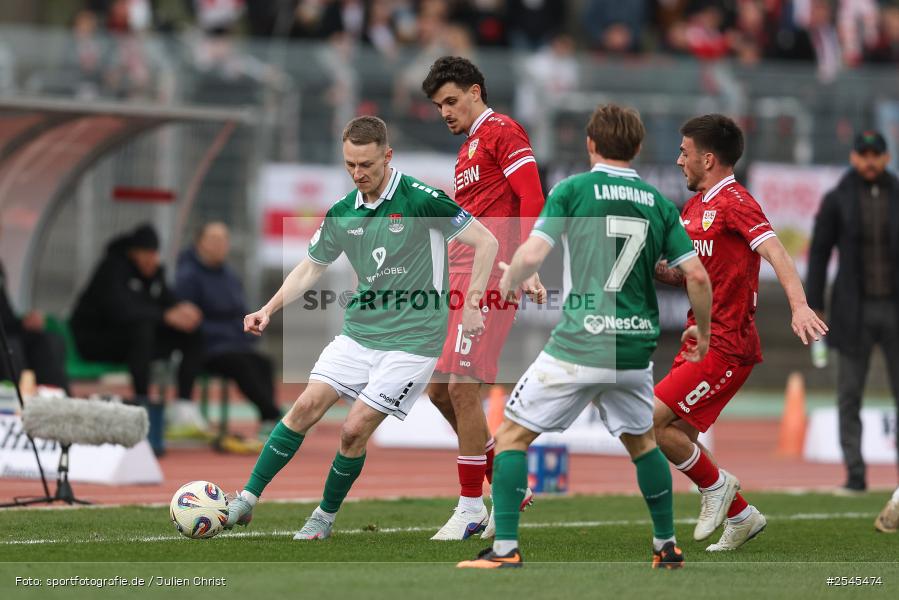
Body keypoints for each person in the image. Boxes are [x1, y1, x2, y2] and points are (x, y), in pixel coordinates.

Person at [457, 103, 712, 569]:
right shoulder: (658, 202)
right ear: (636, 148)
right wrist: (705, 332)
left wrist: (510, 281)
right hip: (634, 348)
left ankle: (505, 548)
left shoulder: (574, 188)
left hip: (581, 341)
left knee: (512, 436)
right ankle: (666, 546)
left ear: (591, 144)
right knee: (642, 444)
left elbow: (533, 251)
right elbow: (696, 274)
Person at [223, 116, 499, 539]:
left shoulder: (421, 199)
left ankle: (324, 517)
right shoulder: (343, 212)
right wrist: (269, 307)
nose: (358, 173)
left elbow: (487, 241)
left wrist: (476, 301)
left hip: (413, 340)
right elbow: (310, 269)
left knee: (353, 429)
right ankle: (246, 500)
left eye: (367, 164)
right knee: (304, 408)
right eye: (350, 164)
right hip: (359, 334)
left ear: (387, 156)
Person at [653, 114, 827, 552]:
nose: (679, 161)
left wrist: (799, 304)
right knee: (674, 436)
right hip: (700, 340)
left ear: (708, 158)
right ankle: (742, 514)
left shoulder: (735, 201)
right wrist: (654, 270)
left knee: (650, 422)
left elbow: (776, 252)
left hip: (727, 345)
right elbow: (691, 273)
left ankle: (717, 490)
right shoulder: (695, 207)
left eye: (685, 152)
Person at [421, 55, 547, 540]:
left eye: (451, 101)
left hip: (491, 278)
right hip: (459, 277)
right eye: (438, 106)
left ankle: (471, 505)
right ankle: (504, 485)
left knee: (462, 388)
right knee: (438, 390)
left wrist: (527, 265)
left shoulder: (502, 131)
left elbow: (533, 198)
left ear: (476, 91)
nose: (445, 112)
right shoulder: (469, 146)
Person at [806, 130, 899, 494]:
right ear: (853, 157)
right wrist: (814, 303)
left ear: (887, 158)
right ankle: (855, 475)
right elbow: (818, 251)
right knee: (849, 395)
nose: (871, 160)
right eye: (865, 154)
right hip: (853, 311)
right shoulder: (837, 198)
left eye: (877, 154)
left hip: (895, 310)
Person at [70, 223, 206, 454]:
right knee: (142, 329)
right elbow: (121, 311)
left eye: (154, 253)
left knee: (192, 332)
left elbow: (167, 303)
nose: (151, 259)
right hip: (97, 341)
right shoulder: (112, 269)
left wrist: (182, 310)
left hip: (137, 342)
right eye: (146, 253)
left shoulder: (156, 273)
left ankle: (183, 406)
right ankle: (144, 407)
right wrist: (166, 315)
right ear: (134, 252)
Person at [176, 222, 282, 439]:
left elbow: (239, 311)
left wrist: (246, 330)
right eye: (214, 239)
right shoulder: (187, 276)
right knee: (242, 364)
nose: (220, 245)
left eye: (224, 240)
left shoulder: (230, 276)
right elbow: (188, 319)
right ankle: (274, 416)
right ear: (199, 244)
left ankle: (267, 421)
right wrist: (226, 334)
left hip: (234, 341)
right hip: (206, 347)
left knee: (263, 362)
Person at [0, 261, 70, 394]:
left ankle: (57, 396)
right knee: (11, 346)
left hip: (5, 332)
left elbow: (6, 319)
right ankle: (16, 398)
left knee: (48, 340)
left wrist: (24, 323)